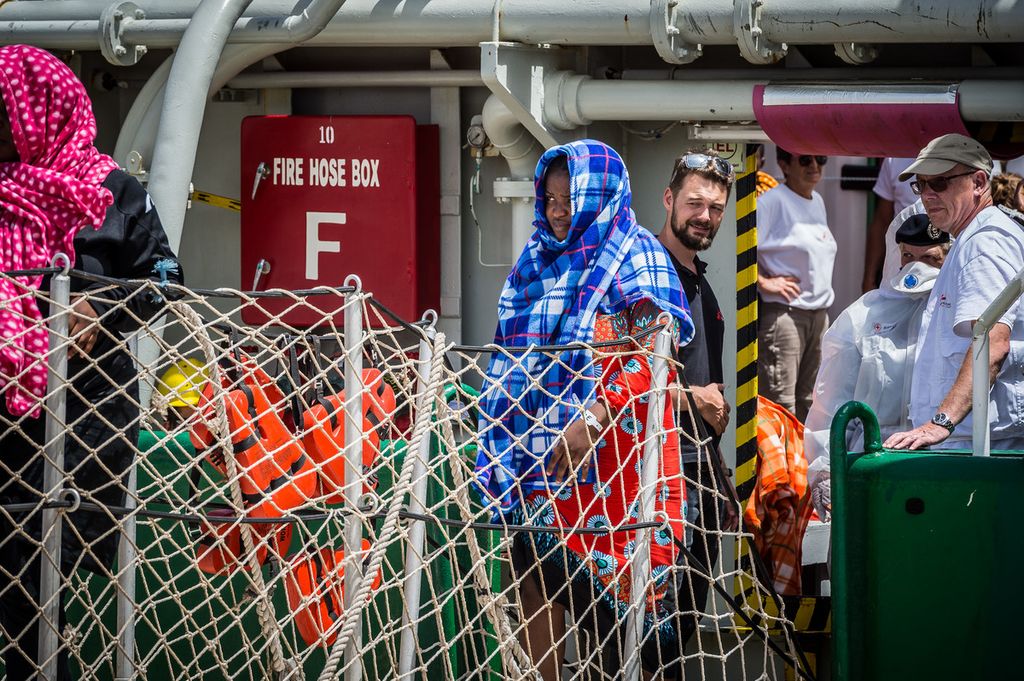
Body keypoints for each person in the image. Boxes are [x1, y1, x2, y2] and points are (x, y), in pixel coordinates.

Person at [475, 140, 694, 680]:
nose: (555, 210)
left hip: (617, 466)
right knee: (532, 570)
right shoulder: (533, 260)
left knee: (617, 617)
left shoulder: (635, 251)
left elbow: (656, 355)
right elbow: (510, 354)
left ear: (600, 194)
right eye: (548, 198)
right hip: (535, 456)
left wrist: (592, 417)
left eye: (568, 198)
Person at [0, 45, 183, 680]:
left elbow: (166, 280)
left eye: (6, 114)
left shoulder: (112, 191)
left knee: (38, 582)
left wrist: (99, 312)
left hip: (86, 420)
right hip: (8, 422)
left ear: (40, 114)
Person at [804, 213, 951, 516]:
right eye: (908, 255)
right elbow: (831, 404)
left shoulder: (963, 318)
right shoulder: (863, 316)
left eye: (930, 258)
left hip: (943, 468)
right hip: (872, 471)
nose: (915, 266)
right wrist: (824, 469)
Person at [885, 134, 1024, 452]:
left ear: (978, 182)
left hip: (979, 446)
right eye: (921, 185)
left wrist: (941, 422)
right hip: (976, 439)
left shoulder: (984, 242)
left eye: (940, 183)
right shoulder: (977, 236)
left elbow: (991, 342)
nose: (928, 196)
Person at [655, 148, 740, 626]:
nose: (705, 217)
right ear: (669, 199)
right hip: (657, 477)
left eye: (715, 209)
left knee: (683, 624)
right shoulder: (647, 276)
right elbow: (610, 381)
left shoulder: (699, 283)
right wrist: (695, 398)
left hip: (700, 475)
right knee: (651, 627)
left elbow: (709, 397)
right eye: (694, 203)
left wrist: (720, 477)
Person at [756, 149, 837, 422]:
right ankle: (780, 465)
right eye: (805, 159)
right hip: (785, 315)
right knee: (781, 403)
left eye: (820, 158)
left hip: (819, 316)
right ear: (784, 165)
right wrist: (765, 282)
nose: (814, 165)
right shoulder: (771, 201)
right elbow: (739, 249)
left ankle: (802, 465)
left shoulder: (818, 201)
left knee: (810, 401)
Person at [861, 157, 917, 291]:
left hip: (940, 267)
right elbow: (881, 222)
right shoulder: (894, 159)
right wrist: (869, 278)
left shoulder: (954, 155)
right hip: (900, 272)